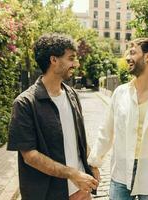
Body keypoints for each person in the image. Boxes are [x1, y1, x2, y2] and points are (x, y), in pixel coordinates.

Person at [88, 38, 148, 200]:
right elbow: (106, 131)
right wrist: (94, 161)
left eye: (133, 53)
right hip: (121, 172)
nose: (127, 57)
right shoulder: (120, 93)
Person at [7, 33, 99, 200]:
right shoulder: (25, 103)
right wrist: (72, 174)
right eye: (71, 58)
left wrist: (91, 164)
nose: (75, 64)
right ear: (54, 60)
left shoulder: (72, 94)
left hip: (81, 192)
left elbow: (80, 138)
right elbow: (30, 157)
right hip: (48, 194)